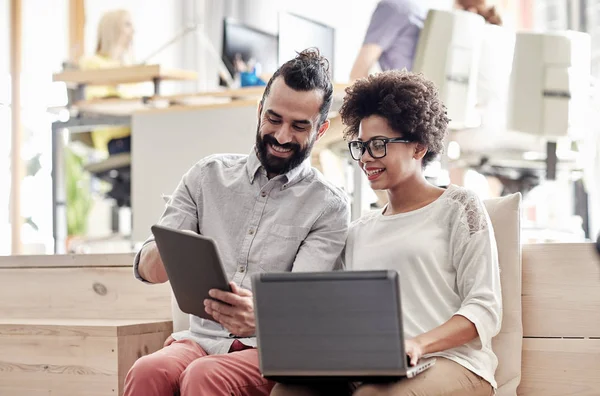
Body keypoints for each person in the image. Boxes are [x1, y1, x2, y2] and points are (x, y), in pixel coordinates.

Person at [123, 48, 350, 396]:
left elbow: (300, 303)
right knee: (147, 370)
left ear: (320, 130)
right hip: (200, 340)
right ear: (259, 111)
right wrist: (160, 255)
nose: (283, 136)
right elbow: (148, 267)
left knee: (204, 376)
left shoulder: (328, 206)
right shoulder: (206, 176)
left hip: (269, 348)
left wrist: (260, 316)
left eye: (299, 126)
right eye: (274, 119)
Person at [272, 71, 502, 396]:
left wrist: (417, 344)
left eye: (378, 145)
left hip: (456, 364)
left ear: (419, 146)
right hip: (379, 369)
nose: (366, 158)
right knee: (288, 392)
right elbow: (329, 307)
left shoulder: (459, 207)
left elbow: (484, 309)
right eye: (361, 146)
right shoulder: (358, 231)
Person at [349, 0, 503, 81]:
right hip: (427, 116)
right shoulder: (425, 14)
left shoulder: (393, 7)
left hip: (400, 112)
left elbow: (357, 75)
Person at [78, 9, 139, 153]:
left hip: (137, 132)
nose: (133, 31)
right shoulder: (92, 63)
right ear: (112, 28)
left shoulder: (127, 67)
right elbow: (96, 100)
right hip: (116, 138)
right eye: (127, 24)